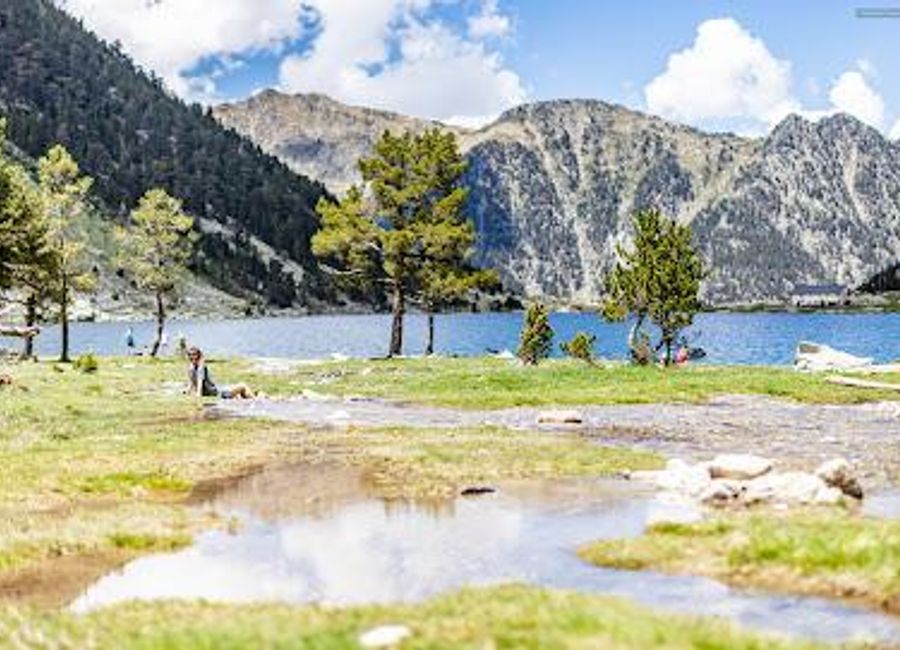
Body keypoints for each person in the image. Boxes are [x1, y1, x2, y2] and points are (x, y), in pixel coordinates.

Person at [186, 347, 254, 399]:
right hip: (218, 394)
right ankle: (256, 400)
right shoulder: (199, 368)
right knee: (243, 385)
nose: (192, 357)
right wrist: (196, 395)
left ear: (198, 356)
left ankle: (250, 397)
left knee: (239, 392)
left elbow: (193, 384)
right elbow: (197, 385)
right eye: (190, 355)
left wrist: (190, 393)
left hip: (216, 391)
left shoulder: (193, 367)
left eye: (194, 355)